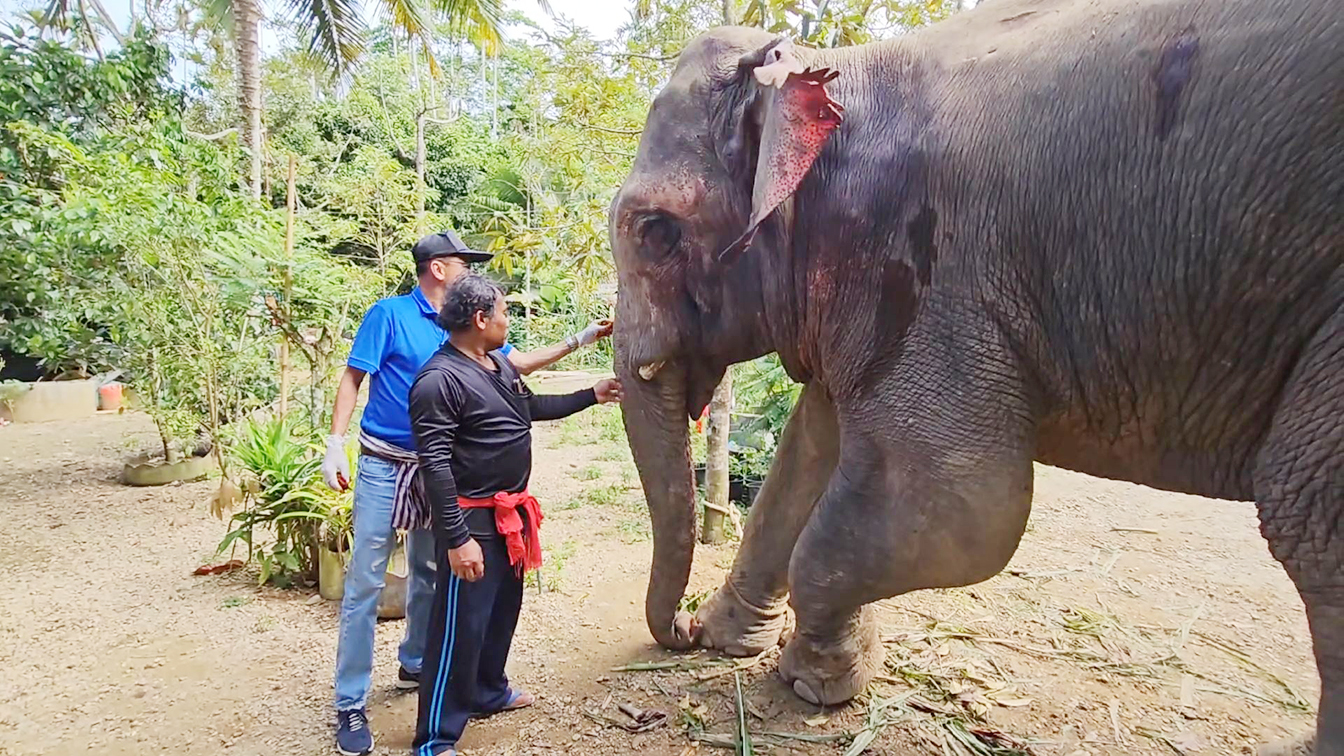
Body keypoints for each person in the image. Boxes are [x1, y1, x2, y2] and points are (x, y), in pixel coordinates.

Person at [321, 230, 613, 756]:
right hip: (396, 462)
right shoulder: (396, 322)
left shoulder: (482, 350)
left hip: (455, 468)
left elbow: (518, 381)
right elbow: (354, 379)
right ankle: (353, 703)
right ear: (439, 269)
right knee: (367, 582)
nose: (472, 272)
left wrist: (585, 363)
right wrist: (335, 443)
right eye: (464, 264)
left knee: (435, 582)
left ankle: (426, 667)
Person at [408, 273, 621, 756]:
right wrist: (457, 538)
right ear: (481, 319)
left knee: (501, 612)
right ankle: (436, 735)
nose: (508, 321)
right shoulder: (438, 382)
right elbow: (435, 466)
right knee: (457, 627)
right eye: (504, 313)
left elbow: (530, 409)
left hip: (510, 518)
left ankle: (487, 692)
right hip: (472, 522)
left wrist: (592, 394)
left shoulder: (495, 364)